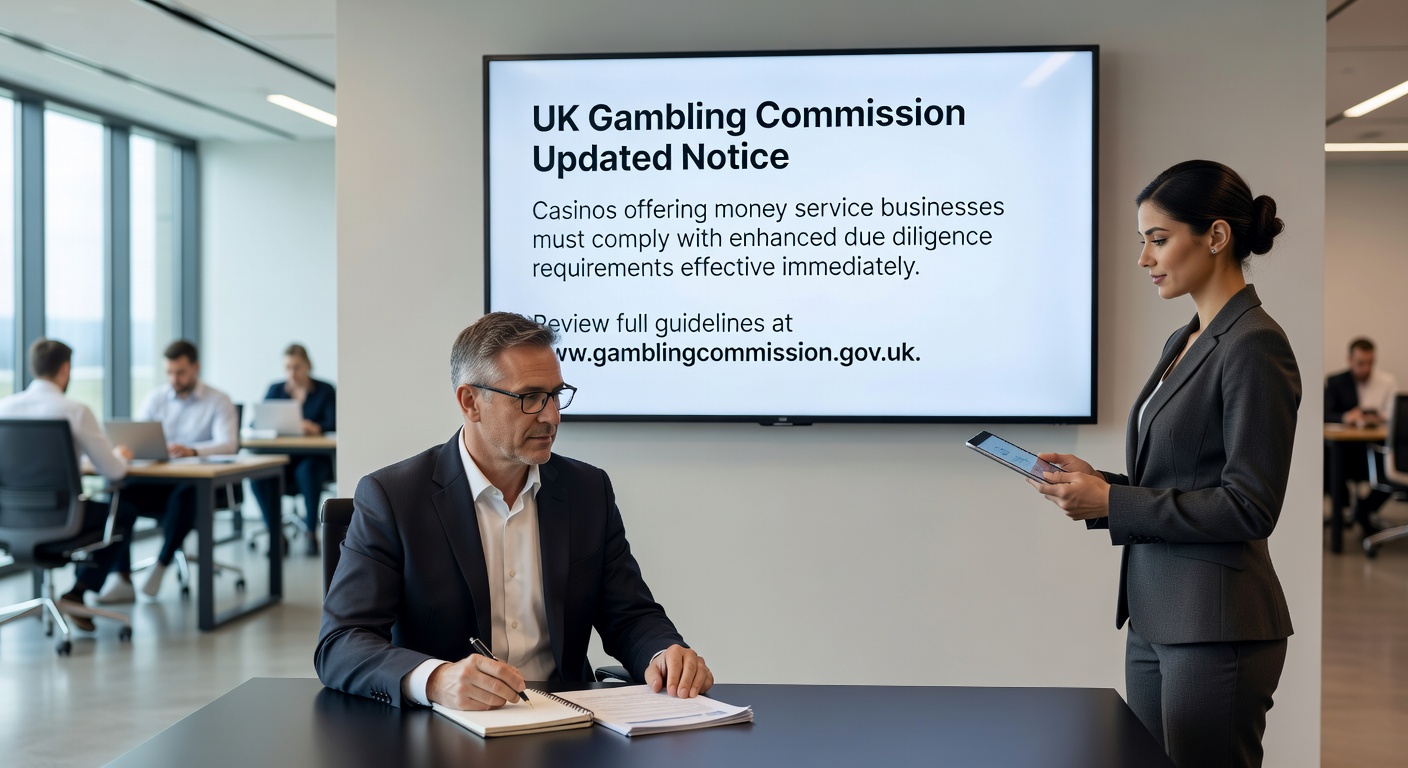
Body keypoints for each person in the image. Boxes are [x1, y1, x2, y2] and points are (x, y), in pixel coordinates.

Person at [1029, 161, 1297, 768]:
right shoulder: (1186, 339)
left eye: (1158, 239)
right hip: (1155, 617)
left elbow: (1250, 506)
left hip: (1216, 624)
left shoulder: (1254, 343)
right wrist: (1100, 486)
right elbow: (1181, 479)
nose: (1144, 258)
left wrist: (1112, 503)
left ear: (1217, 236)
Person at [316, 312, 713, 710]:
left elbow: (630, 615)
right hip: (447, 726)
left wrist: (664, 652)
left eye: (556, 395)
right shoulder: (394, 497)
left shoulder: (588, 491)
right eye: (530, 398)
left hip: (566, 720)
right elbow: (341, 642)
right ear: (470, 402)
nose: (552, 416)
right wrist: (435, 679)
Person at [0, 339, 138, 631]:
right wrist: (121, 455)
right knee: (124, 512)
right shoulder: (75, 410)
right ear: (65, 369)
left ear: (33, 368)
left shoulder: (4, 408)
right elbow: (113, 471)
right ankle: (79, 591)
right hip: (64, 520)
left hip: (10, 520)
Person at [106, 340, 239, 600]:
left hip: (203, 484)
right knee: (119, 495)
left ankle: (162, 563)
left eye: (180, 372)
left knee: (186, 495)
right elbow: (139, 435)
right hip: (160, 482)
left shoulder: (218, 400)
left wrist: (193, 451)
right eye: (169, 372)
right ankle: (121, 577)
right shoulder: (156, 398)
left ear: (196, 368)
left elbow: (229, 444)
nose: (174, 379)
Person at [250, 343, 336, 556]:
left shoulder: (325, 390)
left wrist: (316, 428)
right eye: (288, 367)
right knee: (259, 475)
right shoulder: (276, 390)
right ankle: (275, 534)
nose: (292, 373)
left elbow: (334, 423)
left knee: (307, 471)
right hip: (284, 457)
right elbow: (257, 422)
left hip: (315, 458)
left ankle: (310, 533)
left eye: (296, 367)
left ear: (307, 366)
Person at [1324, 337, 1397, 535]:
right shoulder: (1336, 382)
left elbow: (1394, 415)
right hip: (1346, 452)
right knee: (1327, 459)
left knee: (1392, 466)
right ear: (1350, 360)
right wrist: (1346, 417)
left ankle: (1364, 510)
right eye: (1361, 363)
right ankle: (1344, 509)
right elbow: (1325, 413)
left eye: (1370, 363)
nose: (1366, 368)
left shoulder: (1387, 382)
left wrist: (1378, 418)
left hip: (1376, 447)